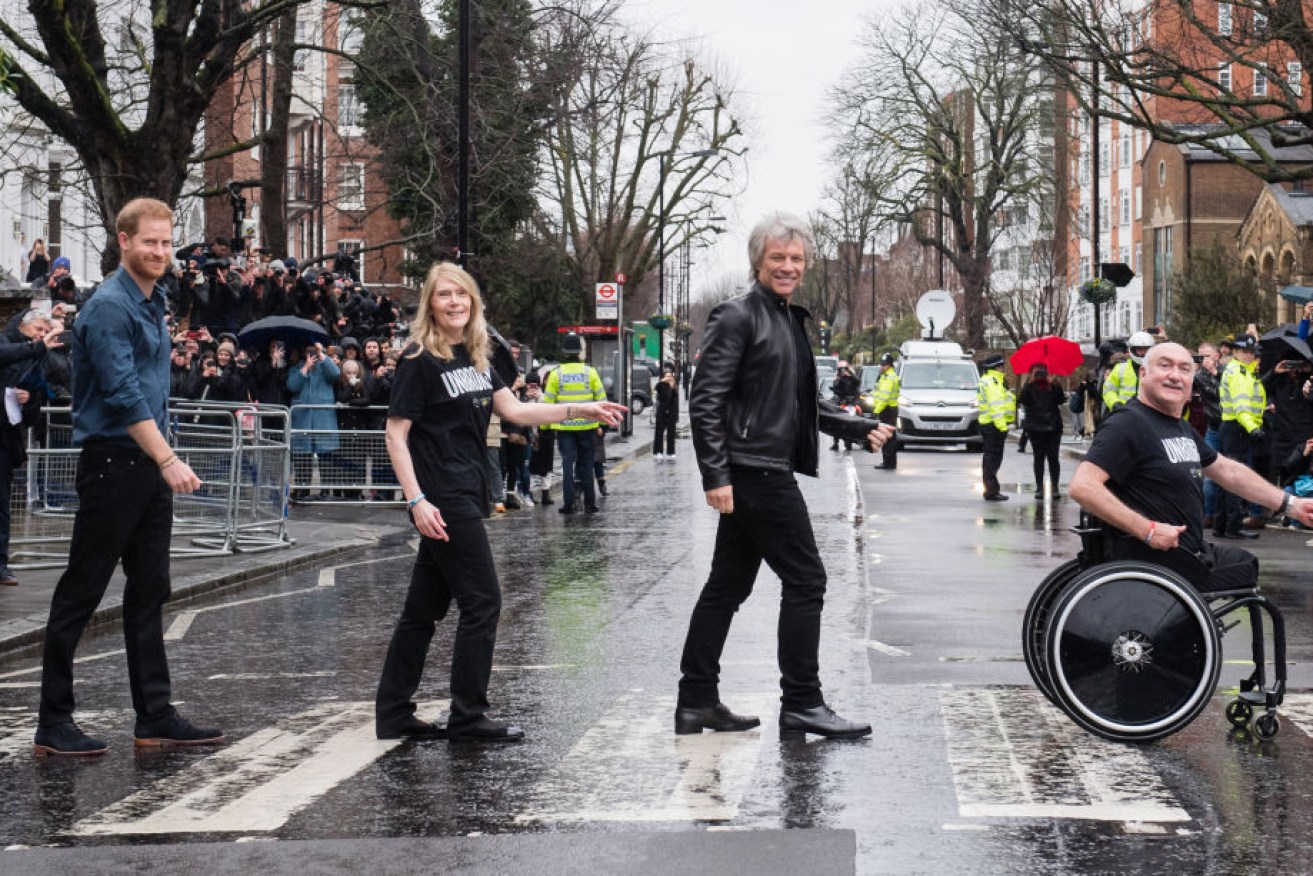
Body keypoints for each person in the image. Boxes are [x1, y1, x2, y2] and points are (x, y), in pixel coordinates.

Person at [374, 262, 624, 742]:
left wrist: (580, 409)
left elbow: (515, 410)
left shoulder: (478, 356)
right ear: (430, 303)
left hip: (468, 489)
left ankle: (393, 713)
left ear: (473, 303)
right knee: (483, 601)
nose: (454, 303)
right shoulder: (417, 359)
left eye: (462, 295)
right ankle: (468, 714)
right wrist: (416, 500)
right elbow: (396, 434)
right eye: (444, 295)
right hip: (442, 496)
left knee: (422, 610)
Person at [675, 212, 894, 741]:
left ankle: (696, 700)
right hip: (754, 472)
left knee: (725, 587)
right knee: (807, 580)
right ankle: (801, 702)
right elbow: (705, 401)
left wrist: (857, 424)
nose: (788, 267)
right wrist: (716, 475)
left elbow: (801, 403)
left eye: (796, 259)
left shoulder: (788, 319)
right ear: (758, 262)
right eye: (778, 258)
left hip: (760, 467)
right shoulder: (737, 315)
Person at [35, 197, 223, 757]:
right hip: (116, 464)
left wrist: (161, 461)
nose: (161, 251)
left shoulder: (152, 299)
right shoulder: (111, 307)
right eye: (150, 242)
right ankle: (53, 722)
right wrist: (168, 458)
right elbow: (121, 396)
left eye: (167, 242)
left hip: (146, 466)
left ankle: (155, 716)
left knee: (150, 591)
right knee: (81, 593)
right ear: (124, 241)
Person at [1069, 342, 1313, 595]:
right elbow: (1083, 486)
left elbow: (1227, 471)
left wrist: (1291, 504)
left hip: (1186, 556)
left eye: (1185, 369)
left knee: (1244, 564)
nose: (1175, 375)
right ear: (1143, 374)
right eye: (1165, 366)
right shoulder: (1127, 423)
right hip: (1157, 563)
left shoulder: (1179, 427)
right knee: (1246, 578)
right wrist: (1148, 530)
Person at [0, 309, 65, 585]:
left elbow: (33, 413)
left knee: (2, 506)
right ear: (24, 327)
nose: (42, 336)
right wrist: (33, 347)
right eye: (38, 329)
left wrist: (27, 400)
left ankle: (0, 564)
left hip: (5, 439)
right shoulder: (6, 341)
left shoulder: (37, 360)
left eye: (44, 331)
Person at [543, 332, 606, 514]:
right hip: (587, 427)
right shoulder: (590, 373)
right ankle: (590, 503)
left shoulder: (556, 375)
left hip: (564, 428)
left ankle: (568, 503)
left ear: (564, 353)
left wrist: (545, 428)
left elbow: (547, 404)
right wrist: (601, 425)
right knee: (586, 464)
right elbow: (601, 400)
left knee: (567, 464)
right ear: (579, 352)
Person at [1215, 333, 1266, 539]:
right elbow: (1241, 406)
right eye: (1244, 351)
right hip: (1238, 427)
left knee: (1227, 478)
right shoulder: (1239, 373)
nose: (1249, 355)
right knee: (1235, 479)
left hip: (1233, 427)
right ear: (1234, 352)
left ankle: (1222, 525)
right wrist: (1253, 428)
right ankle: (1233, 527)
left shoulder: (1242, 370)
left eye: (1251, 352)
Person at [1017, 364, 1066, 500]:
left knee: (1053, 458)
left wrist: (1055, 384)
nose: (1041, 375)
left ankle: (1054, 487)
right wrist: (1028, 382)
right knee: (1038, 458)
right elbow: (1022, 400)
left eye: (1043, 373)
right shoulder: (1030, 386)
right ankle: (1039, 488)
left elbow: (1061, 400)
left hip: (1053, 427)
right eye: (1037, 372)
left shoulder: (1053, 385)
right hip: (1035, 427)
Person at [977, 353, 1016, 501]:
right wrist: (1002, 427)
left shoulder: (989, 381)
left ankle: (991, 489)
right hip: (994, 426)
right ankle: (991, 490)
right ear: (996, 367)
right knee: (993, 459)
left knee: (990, 458)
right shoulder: (993, 382)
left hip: (989, 424)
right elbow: (996, 407)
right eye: (1001, 366)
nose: (1003, 368)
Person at [1102, 330, 1154, 413]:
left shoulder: (1157, 370)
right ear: (1132, 349)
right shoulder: (1119, 368)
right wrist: (1115, 404)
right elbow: (1108, 390)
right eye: (1139, 349)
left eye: (1145, 349)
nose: (1142, 353)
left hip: (1149, 416)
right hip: (1123, 414)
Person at [869, 353, 900, 469]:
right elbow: (878, 393)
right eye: (881, 364)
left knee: (887, 437)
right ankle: (889, 462)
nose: (882, 367)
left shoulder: (889, 377)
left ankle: (889, 463)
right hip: (888, 410)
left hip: (887, 410)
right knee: (889, 437)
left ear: (890, 365)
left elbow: (884, 398)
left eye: (884, 365)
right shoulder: (885, 376)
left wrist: (876, 411)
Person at [653, 363, 679, 458]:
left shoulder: (673, 387)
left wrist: (672, 386)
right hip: (662, 411)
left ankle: (671, 452)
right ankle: (658, 451)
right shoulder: (661, 385)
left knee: (671, 432)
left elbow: (675, 399)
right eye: (666, 376)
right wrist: (663, 381)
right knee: (659, 431)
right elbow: (657, 389)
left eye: (670, 376)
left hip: (671, 411)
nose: (668, 378)